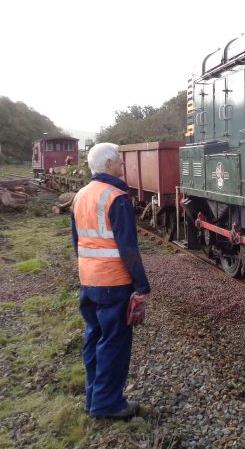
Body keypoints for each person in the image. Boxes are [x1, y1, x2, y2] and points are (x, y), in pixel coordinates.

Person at [70, 142, 151, 420]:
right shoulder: (117, 197)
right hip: (114, 283)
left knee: (93, 339)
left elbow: (76, 241)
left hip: (89, 280)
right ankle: (108, 405)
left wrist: (88, 271)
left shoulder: (80, 196)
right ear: (107, 165)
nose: (122, 165)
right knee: (114, 343)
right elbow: (128, 248)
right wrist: (141, 286)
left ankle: (93, 398)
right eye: (119, 161)